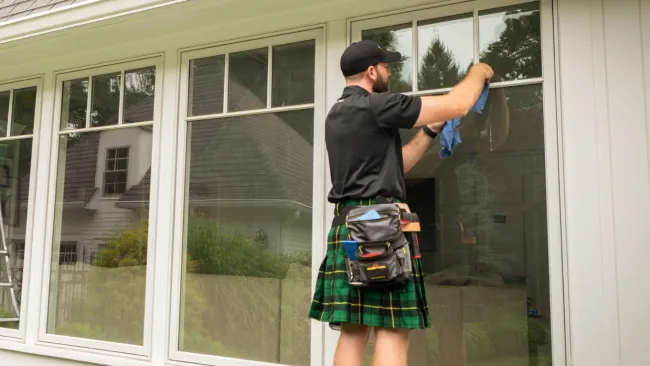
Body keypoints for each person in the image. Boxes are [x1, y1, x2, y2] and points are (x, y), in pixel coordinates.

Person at [308, 39, 493, 366]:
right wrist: (480, 71)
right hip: (383, 227)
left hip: (348, 229)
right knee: (391, 331)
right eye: (386, 66)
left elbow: (398, 165)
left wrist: (431, 131)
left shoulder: (337, 115)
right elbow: (459, 104)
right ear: (370, 71)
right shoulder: (378, 105)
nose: (389, 72)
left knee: (353, 332)